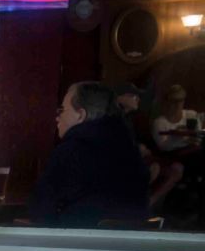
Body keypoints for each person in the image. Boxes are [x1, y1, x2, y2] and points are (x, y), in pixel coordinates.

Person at [28, 82, 149, 227]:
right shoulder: (131, 150)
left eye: (62, 110)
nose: (57, 117)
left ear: (81, 115)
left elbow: (41, 210)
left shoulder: (72, 149)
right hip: (134, 239)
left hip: (79, 237)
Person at [152, 84, 201, 155]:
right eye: (174, 101)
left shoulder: (191, 115)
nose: (178, 104)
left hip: (193, 150)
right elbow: (163, 147)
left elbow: (198, 138)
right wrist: (175, 136)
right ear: (168, 102)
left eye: (181, 100)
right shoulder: (159, 122)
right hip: (174, 153)